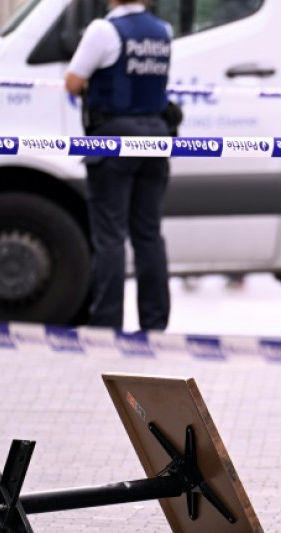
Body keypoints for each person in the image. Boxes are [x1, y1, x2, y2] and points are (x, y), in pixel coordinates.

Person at [65, 0, 175, 331]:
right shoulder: (163, 31)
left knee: (110, 236)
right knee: (148, 235)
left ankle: (106, 322)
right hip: (156, 135)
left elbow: (72, 82)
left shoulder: (103, 30)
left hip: (114, 137)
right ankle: (154, 324)